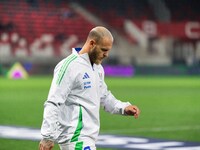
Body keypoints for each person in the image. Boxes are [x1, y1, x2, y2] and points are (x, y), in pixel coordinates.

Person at [39, 26, 140, 150]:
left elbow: (104, 96)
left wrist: (123, 108)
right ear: (92, 43)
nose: (107, 55)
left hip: (87, 139)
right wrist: (48, 137)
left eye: (108, 50)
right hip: (75, 138)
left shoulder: (98, 68)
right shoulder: (69, 66)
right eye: (104, 50)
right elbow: (54, 101)